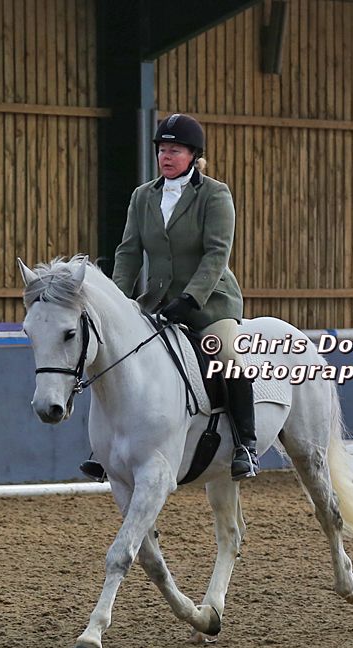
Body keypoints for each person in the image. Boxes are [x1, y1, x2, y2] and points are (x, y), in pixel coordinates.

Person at [81, 113, 259, 480]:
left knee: (227, 356)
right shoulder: (143, 196)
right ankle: (107, 447)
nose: (166, 156)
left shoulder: (214, 194)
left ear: (194, 155)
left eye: (174, 150)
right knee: (117, 355)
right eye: (162, 149)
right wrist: (116, 303)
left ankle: (246, 444)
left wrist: (191, 299)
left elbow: (216, 254)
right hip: (158, 302)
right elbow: (128, 253)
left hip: (210, 303)